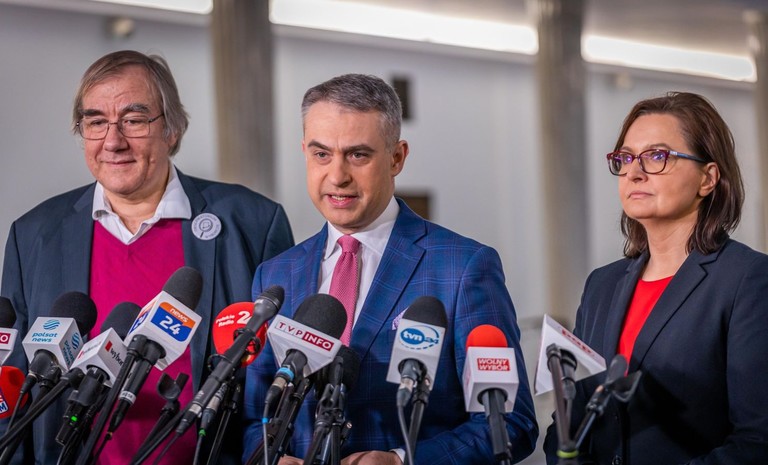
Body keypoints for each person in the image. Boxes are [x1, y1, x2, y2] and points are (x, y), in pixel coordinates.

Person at [0, 50, 294, 464]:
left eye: (134, 120)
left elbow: (280, 374)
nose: (113, 141)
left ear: (173, 128)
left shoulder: (253, 223)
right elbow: (11, 386)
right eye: (96, 122)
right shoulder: (34, 235)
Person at [242, 73, 538, 465]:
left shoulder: (463, 267)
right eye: (321, 154)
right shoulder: (277, 274)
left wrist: (402, 461)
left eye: (358, 155)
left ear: (397, 157)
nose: (337, 176)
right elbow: (254, 417)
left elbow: (511, 423)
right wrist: (268, 458)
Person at [543, 91, 768, 464]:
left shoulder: (748, 280)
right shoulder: (601, 285)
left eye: (657, 156)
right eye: (625, 158)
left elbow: (758, 440)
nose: (634, 172)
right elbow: (569, 420)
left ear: (708, 178)